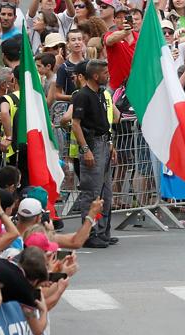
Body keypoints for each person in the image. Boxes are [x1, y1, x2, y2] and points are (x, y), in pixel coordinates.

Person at [71, 59, 117, 248]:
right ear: (96, 76)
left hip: (104, 142)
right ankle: (88, 234)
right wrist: (86, 150)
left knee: (106, 191)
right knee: (91, 192)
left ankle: (102, 231)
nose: (108, 76)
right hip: (92, 145)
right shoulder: (82, 95)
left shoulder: (101, 94)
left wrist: (111, 143)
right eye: (105, 73)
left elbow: (106, 121)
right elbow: (75, 124)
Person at [104, 5, 138, 90]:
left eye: (125, 16)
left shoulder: (139, 37)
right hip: (116, 87)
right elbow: (109, 40)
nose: (123, 20)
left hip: (136, 87)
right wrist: (125, 32)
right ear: (114, 21)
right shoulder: (110, 34)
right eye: (119, 17)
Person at [54, 30, 84, 103]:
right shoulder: (63, 68)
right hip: (72, 107)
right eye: (73, 40)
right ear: (68, 44)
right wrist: (74, 97)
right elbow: (57, 95)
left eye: (79, 39)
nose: (77, 42)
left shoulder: (89, 64)